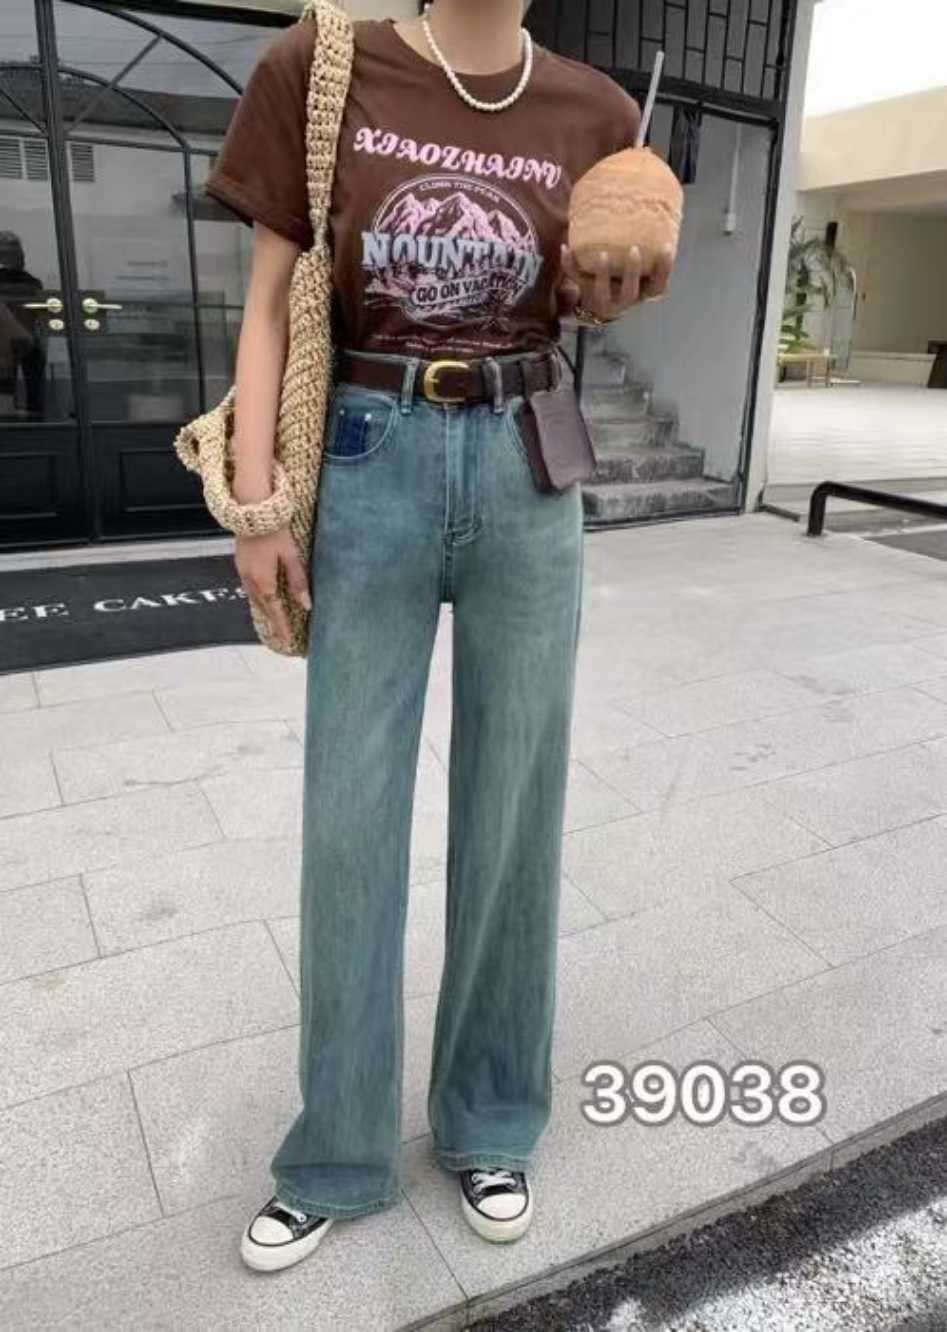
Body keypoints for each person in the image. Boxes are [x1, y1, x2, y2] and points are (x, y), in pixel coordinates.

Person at [204, 0, 673, 1274]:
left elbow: (584, 299)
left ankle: (489, 1121)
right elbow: (266, 301)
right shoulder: (322, 64)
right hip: (371, 452)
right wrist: (255, 500)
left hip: (528, 463)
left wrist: (620, 272)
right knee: (349, 815)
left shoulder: (597, 110)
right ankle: (336, 1152)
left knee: (515, 805)